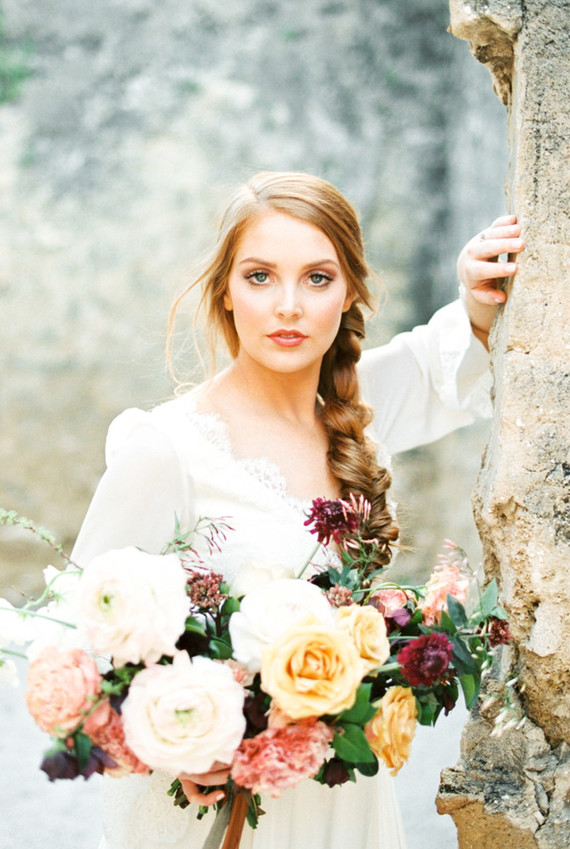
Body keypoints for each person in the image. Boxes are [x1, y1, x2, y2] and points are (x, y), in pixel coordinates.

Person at [71, 172, 524, 849]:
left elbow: (438, 365)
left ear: (349, 294)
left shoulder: (352, 413)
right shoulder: (167, 448)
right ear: (225, 288)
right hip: (228, 813)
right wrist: (175, 739)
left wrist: (480, 293)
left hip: (346, 804)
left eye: (317, 278)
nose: (289, 305)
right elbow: (76, 631)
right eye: (260, 276)